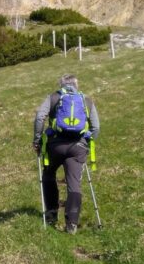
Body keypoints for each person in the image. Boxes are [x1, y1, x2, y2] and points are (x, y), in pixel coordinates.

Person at [32, 74, 100, 233]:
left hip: (55, 146)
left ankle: (51, 213)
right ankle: (72, 224)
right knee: (74, 183)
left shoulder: (54, 97)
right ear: (77, 84)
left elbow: (40, 117)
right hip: (78, 147)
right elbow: (96, 127)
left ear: (61, 85)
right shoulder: (86, 100)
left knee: (49, 175)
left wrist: (37, 140)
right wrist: (87, 143)